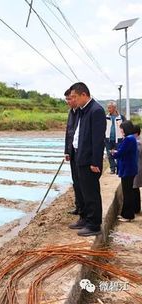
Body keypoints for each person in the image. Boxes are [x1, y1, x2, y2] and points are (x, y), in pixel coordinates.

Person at [68, 82, 106, 237]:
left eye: (75, 97)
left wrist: (96, 162)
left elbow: (98, 139)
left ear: (84, 95)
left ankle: (94, 224)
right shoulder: (83, 110)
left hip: (89, 159)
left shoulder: (96, 110)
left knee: (91, 192)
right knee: (82, 191)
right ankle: (85, 218)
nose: (74, 100)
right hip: (79, 156)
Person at [112, 121, 138, 222]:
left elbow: (121, 152)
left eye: (121, 128)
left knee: (127, 193)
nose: (121, 130)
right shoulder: (130, 138)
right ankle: (125, 213)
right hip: (129, 168)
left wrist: (114, 153)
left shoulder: (129, 139)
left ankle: (128, 215)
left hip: (128, 169)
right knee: (127, 191)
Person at [64, 88, 83, 215]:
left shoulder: (82, 112)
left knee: (82, 181)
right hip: (72, 152)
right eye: (67, 99)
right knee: (75, 180)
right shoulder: (71, 112)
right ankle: (78, 206)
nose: (68, 101)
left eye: (70, 98)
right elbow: (68, 133)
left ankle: (83, 208)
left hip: (81, 151)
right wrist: (67, 151)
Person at [105, 101, 125, 174]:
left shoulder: (121, 117)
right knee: (109, 154)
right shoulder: (106, 117)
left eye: (110, 108)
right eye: (108, 108)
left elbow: (125, 127)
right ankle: (112, 169)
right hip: (108, 139)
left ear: (114, 108)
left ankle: (119, 168)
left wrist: (124, 137)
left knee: (119, 154)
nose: (108, 109)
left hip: (119, 139)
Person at [133, 124, 142, 214]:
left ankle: (136, 209)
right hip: (138, 167)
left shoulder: (138, 142)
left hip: (138, 167)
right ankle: (137, 208)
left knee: (135, 188)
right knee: (135, 189)